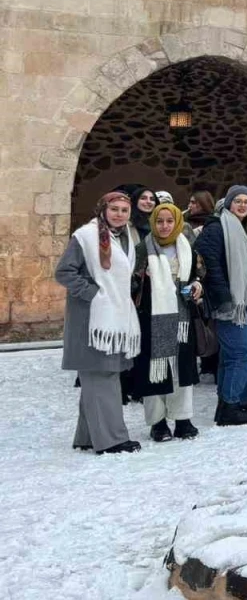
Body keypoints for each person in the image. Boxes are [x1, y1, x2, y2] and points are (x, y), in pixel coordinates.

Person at [55, 192, 142, 454]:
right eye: (114, 209)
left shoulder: (124, 238)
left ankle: (88, 437)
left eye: (124, 210)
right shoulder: (85, 236)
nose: (119, 214)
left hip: (113, 318)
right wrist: (93, 293)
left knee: (99, 377)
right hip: (92, 321)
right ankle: (112, 440)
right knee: (101, 376)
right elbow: (64, 271)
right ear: (103, 210)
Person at [126, 202, 201, 442]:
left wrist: (197, 286)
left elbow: (199, 275)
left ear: (177, 222)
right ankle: (158, 423)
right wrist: (142, 278)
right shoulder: (141, 250)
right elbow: (128, 284)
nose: (165, 226)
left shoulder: (187, 247)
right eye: (160, 221)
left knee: (181, 369)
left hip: (181, 319)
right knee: (155, 369)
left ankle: (182, 419)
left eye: (170, 221)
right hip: (152, 318)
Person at [193, 186, 247, 427]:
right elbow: (208, 263)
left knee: (232, 355)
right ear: (229, 203)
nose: (242, 205)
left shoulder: (246, 228)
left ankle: (226, 406)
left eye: (246, 201)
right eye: (238, 201)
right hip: (229, 303)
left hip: (244, 301)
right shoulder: (217, 227)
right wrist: (223, 297)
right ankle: (230, 405)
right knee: (243, 354)